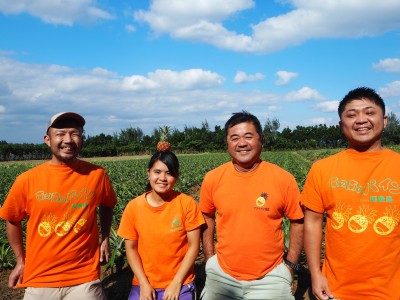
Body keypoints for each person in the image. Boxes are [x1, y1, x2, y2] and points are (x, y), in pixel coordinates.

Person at [0, 112, 117, 300]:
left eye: (75, 134)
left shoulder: (97, 175)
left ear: (82, 139)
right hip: (40, 277)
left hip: (84, 277)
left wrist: (104, 238)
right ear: (48, 140)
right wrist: (20, 261)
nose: (68, 140)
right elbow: (12, 219)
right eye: (60, 134)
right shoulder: (27, 180)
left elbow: (107, 204)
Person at [302, 87, 400, 299]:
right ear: (341, 125)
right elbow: (312, 222)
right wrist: (315, 273)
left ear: (384, 120)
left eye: (369, 112)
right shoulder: (323, 169)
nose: (361, 120)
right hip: (336, 289)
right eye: (352, 115)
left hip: (392, 290)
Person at [199, 111, 304, 300]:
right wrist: (209, 259)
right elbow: (206, 216)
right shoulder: (213, 178)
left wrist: (290, 267)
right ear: (227, 143)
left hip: (271, 277)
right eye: (234, 138)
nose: (242, 143)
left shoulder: (283, 179)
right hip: (222, 276)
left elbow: (297, 221)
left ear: (261, 139)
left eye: (248, 136)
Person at [117, 146, 205, 300]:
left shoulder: (187, 204)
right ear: (148, 174)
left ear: (177, 177)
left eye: (169, 173)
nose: (162, 178)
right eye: (157, 172)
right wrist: (144, 283)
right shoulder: (133, 207)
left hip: (180, 281)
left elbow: (193, 246)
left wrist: (177, 282)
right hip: (144, 282)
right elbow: (131, 249)